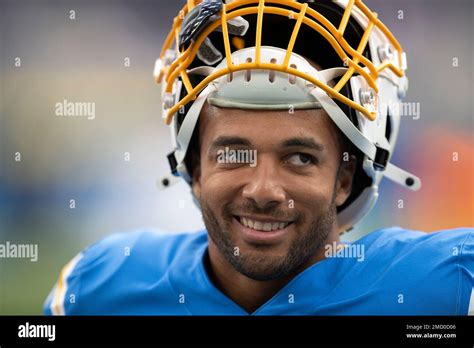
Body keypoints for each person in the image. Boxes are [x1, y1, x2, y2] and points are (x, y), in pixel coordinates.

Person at [44, 0, 473, 315]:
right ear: (194, 166)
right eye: (233, 153)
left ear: (344, 177)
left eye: (300, 158)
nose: (263, 191)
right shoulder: (101, 288)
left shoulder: (446, 287)